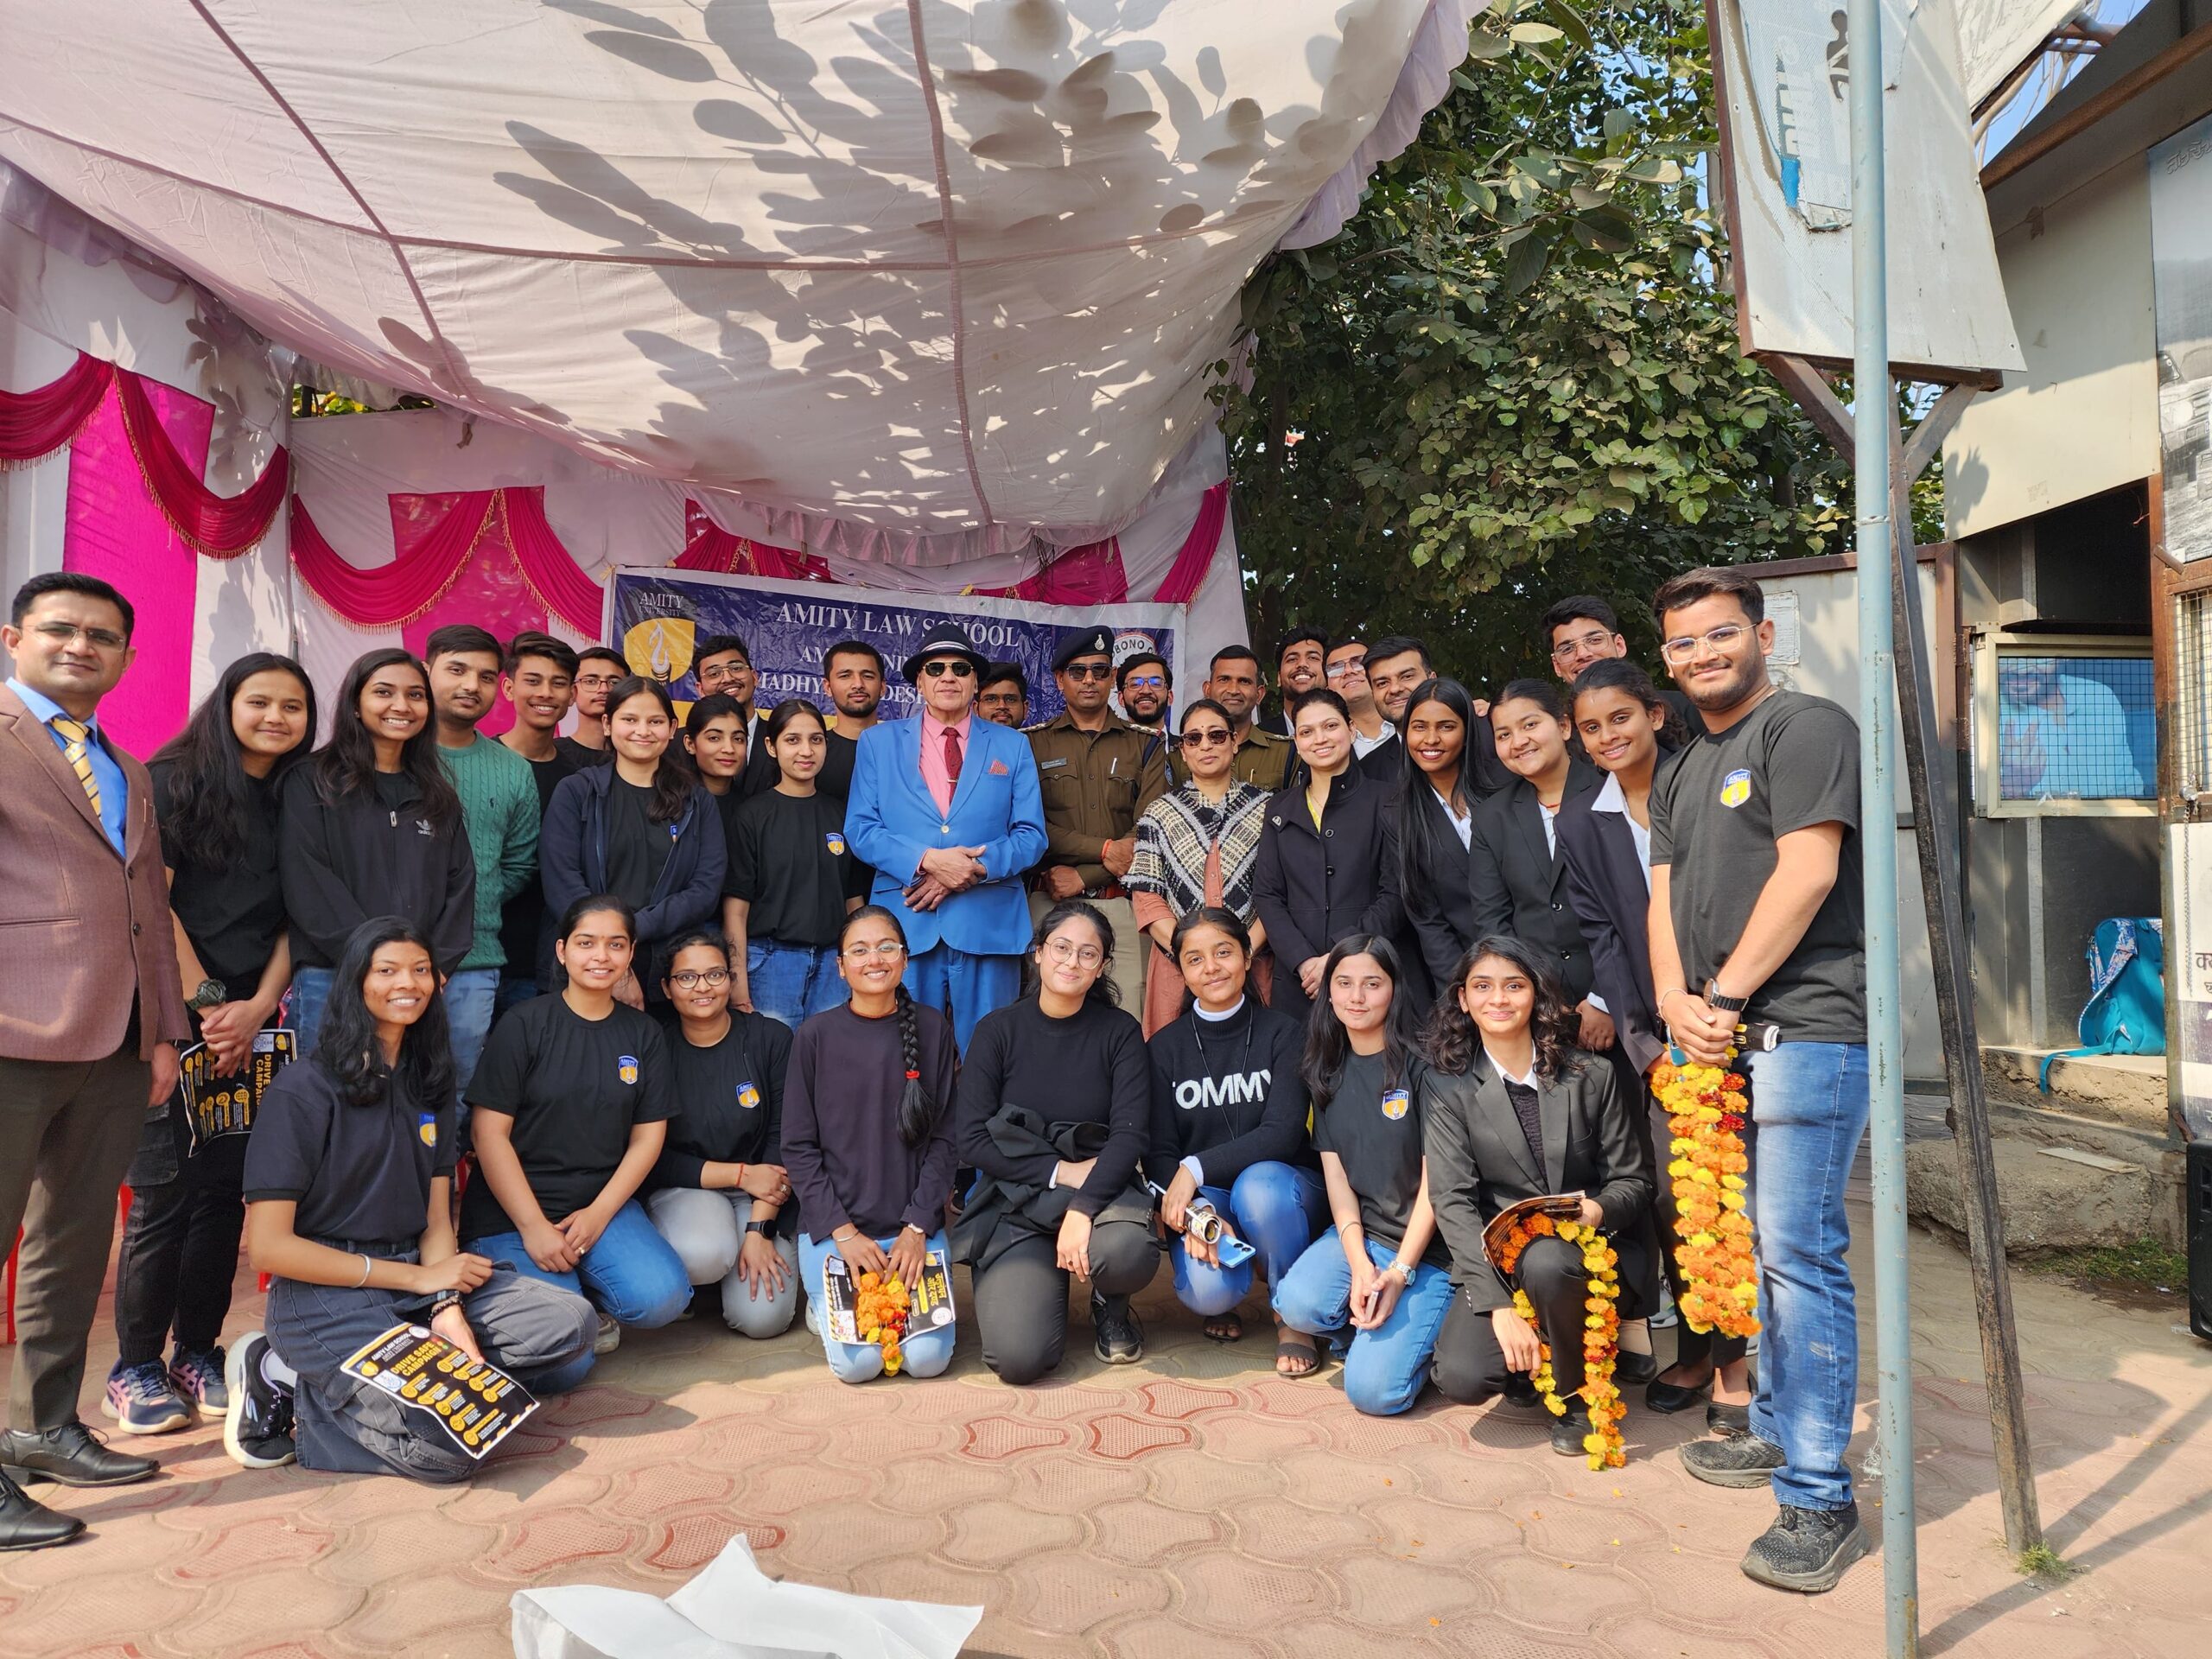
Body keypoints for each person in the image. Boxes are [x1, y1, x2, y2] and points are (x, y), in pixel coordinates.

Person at [1647, 564, 1870, 1593]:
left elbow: (1810, 870)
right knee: (1759, 1249)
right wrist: (1673, 1002)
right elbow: (1664, 893)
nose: (1703, 655)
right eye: (1684, 644)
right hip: (1718, 1036)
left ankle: (1821, 1495)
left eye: (1719, 635)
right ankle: (1778, 1434)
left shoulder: (1806, 726)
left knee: (1798, 1254)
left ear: (1761, 632)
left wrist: (1725, 998)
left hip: (1803, 1030)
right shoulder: (1686, 763)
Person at [224, 918, 597, 1479]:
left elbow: (434, 1218)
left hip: (413, 1286)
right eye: (389, 970)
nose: (410, 983)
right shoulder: (304, 1088)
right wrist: (419, 1281)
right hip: (327, 1294)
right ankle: (291, 1380)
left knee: (570, 1322)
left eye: (421, 970)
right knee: (446, 1454)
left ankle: (392, 1371)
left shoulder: (430, 1082)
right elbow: (270, 1249)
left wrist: (446, 1306)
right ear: (356, 982)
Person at [0, 573, 191, 1548]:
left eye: (104, 637)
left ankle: (42, 1424)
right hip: (9, 1036)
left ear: (124, 657)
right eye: (62, 630)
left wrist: (163, 1031)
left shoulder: (126, 763)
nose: (83, 647)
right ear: (14, 636)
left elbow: (144, 907)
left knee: (72, 1248)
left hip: (115, 1043)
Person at [105, 653, 314, 1438]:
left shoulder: (301, 793)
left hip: (253, 1023)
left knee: (228, 1188)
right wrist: (207, 1003)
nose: (275, 718)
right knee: (163, 1193)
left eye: (293, 707)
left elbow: (302, 912)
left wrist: (257, 1007)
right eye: (259, 701)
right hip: (170, 1012)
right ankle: (133, 1368)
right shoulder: (173, 777)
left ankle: (196, 1348)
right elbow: (149, 899)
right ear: (226, 703)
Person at [1421, 937, 1656, 1454]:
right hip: (1500, 1259)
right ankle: (1537, 1355)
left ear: (1536, 996)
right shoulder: (1448, 1085)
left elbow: (1634, 1181)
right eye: (1482, 987)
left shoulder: (1590, 1075)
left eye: (1514, 985)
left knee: (1550, 1260)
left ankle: (1576, 1394)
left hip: (1585, 1251)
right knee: (1462, 1377)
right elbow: (1453, 1200)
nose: (1498, 999)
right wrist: (1498, 1305)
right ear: (1463, 999)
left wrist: (1596, 1208)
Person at [462, 896, 693, 1364]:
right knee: (567, 1361)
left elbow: (648, 1138)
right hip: (513, 1211)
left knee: (664, 1297)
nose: (601, 956)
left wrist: (599, 1213)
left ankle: (584, 1290)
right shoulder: (523, 1024)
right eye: (587, 943)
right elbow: (489, 1135)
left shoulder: (642, 1034)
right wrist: (533, 1228)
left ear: (631, 956)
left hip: (598, 1205)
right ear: (562, 951)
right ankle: (545, 1298)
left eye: (615, 945)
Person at [1560, 656, 1693, 1399]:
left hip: (1732, 1016)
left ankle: (1754, 1362)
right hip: (1658, 1038)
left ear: (1655, 715)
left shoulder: (1699, 781)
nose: (1608, 735)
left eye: (1620, 717)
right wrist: (1644, 1044)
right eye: (1590, 727)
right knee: (1676, 1196)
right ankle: (1704, 1350)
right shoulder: (1584, 819)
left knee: (1754, 1205)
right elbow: (1602, 936)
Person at [954, 901, 1159, 1380]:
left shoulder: (1120, 1032)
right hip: (1017, 1201)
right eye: (1061, 948)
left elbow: (1130, 1138)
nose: (1072, 962)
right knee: (1018, 1360)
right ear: (1038, 954)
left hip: (1099, 1195)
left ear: (1104, 966)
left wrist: (1082, 1209)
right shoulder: (997, 1031)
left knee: (1126, 1250)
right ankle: (1042, 1277)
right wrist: (1059, 1173)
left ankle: (1110, 1300)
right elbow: (971, 1140)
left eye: (1088, 954)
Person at [1270, 937, 1470, 1414]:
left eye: (1372, 984)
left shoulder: (1426, 1068)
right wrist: (1360, 1263)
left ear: (1394, 990)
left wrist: (1398, 1273)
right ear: (1328, 992)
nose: (1356, 997)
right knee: (1295, 1304)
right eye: (1344, 983)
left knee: (1375, 1395)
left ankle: (1423, 1338)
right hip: (1372, 1236)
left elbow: (1438, 1185)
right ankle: (1371, 1322)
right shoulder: (1325, 1068)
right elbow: (1338, 1181)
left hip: (1432, 1254)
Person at [845, 622, 1046, 1053]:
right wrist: (929, 861)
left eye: (960, 667)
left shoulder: (1013, 746)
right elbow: (861, 830)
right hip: (907, 923)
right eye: (935, 668)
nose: (948, 677)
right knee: (904, 1062)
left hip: (988, 925)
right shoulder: (877, 743)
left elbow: (1031, 836)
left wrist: (970, 869)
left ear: (976, 680)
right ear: (920, 680)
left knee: (990, 1058)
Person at [779, 906, 961, 1382]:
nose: (873, 959)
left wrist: (919, 1225)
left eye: (886, 948)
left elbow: (946, 1138)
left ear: (904, 959)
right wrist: (843, 1233)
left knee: (926, 1362)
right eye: (859, 950)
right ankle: (822, 1304)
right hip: (837, 1233)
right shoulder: (814, 1037)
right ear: (841, 966)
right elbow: (798, 1148)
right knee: (860, 1366)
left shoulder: (932, 1028)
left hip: (910, 1232)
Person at [1143, 908, 1324, 1373]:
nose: (1212, 968)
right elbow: (1160, 1150)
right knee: (1208, 1294)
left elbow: (1283, 1135)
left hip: (1281, 1186)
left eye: (1224, 953)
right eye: (1195, 959)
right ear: (1180, 970)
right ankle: (1229, 1292)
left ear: (1247, 956)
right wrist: (1198, 1206)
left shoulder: (1283, 1032)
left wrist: (1195, 1167)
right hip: (1210, 1199)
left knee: (1258, 1190)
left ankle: (1290, 1313)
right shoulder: (1164, 1049)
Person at [279, 649, 474, 1057]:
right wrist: (374, 963)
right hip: (330, 975)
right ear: (355, 704)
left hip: (414, 986)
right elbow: (307, 880)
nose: (401, 706)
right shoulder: (312, 782)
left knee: (405, 1102)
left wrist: (428, 969)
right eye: (384, 692)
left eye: (416, 695)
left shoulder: (437, 794)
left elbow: (460, 885)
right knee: (325, 1104)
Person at [645, 929, 799, 1339]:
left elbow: (785, 1137)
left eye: (715, 975)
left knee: (762, 1320)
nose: (703, 988)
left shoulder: (771, 1038)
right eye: (687, 977)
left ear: (732, 980)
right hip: (689, 1190)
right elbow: (651, 1157)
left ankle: (739, 1258)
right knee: (706, 1253)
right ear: (666, 987)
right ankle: (706, 1275)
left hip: (766, 1195)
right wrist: (738, 1175)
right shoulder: (654, 1049)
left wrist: (759, 1230)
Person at [540, 676, 726, 1012]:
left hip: (668, 970)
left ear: (672, 729)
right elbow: (561, 881)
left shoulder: (696, 802)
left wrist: (628, 932)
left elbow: (705, 888)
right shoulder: (577, 792)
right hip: (587, 967)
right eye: (630, 719)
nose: (643, 730)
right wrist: (612, 950)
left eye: (655, 721)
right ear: (608, 724)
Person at [426, 625, 540, 1105]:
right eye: (457, 670)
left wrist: (473, 900)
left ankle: (441, 1185)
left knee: (454, 1096)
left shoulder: (513, 768)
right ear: (426, 670)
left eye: (486, 676)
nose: (472, 685)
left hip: (474, 962)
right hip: (382, 961)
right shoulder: (389, 755)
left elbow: (517, 863)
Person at [1027, 626, 1168, 1014]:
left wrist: (1085, 876)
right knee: (1048, 1019)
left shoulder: (1145, 743)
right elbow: (1029, 826)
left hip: (1123, 904)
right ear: (1059, 680)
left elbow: (1152, 828)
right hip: (1049, 903)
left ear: (1112, 678)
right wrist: (1106, 849)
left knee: (1129, 1019)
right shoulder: (1030, 744)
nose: (1089, 680)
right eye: (1078, 672)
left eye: (1100, 671)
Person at [1468, 680, 1608, 1048]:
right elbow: (1492, 921)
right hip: (1538, 1009)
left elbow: (1637, 909)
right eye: (1504, 734)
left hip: (1620, 1000)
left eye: (1530, 725)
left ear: (1563, 727)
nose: (1518, 741)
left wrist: (1603, 999)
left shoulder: (1611, 792)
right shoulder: (1491, 817)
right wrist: (1537, 998)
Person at [1252, 689, 1403, 1027]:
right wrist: (1304, 961)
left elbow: (1395, 893)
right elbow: (1268, 894)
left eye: (1330, 726)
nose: (1319, 739)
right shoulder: (1280, 807)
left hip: (1370, 973)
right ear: (1296, 740)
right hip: (1299, 983)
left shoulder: (1388, 799)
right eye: (1306, 731)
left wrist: (1339, 956)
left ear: (1350, 730)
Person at [1126, 699, 1273, 1035]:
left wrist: (1242, 950)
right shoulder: (1159, 814)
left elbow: (1278, 893)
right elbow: (1147, 900)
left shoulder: (1268, 810)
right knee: (1178, 1060)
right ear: (1182, 751)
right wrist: (1190, 953)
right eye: (1193, 738)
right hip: (1179, 965)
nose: (1205, 745)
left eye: (1217, 735)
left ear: (1235, 742)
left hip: (1254, 960)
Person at [724, 698, 867, 1025]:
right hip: (771, 964)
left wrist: (859, 959)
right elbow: (735, 910)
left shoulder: (842, 814)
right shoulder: (751, 816)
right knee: (776, 1068)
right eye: (793, 740)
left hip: (835, 965)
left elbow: (853, 900)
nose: (806, 751)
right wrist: (737, 980)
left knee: (828, 1067)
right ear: (771, 747)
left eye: (816, 740)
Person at [496, 632, 582, 1013]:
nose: (545, 693)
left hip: (546, 964)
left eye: (558, 683)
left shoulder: (578, 780)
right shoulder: (481, 762)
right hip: (473, 957)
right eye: (533, 681)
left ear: (572, 696)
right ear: (509, 688)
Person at [1397, 677, 1494, 992]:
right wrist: (1464, 986)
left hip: (1531, 961)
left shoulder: (1503, 789)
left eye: (1446, 727)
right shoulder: (1397, 813)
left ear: (1467, 732)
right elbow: (1427, 919)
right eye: (1419, 727)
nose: (1431, 739)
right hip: (1460, 977)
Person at [1541, 595, 1705, 745]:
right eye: (1567, 649)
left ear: (1619, 645)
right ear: (1556, 665)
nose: (1583, 654)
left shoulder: (1685, 708)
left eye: (1595, 640)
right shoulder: (1558, 741)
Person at [1367, 637, 1507, 792]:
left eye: (1407, 676)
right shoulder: (1370, 772)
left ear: (1432, 679)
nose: (1394, 689)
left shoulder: (1493, 732)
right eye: (1382, 683)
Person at [1178, 645, 1294, 791]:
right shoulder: (1183, 753)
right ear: (1207, 690)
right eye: (1224, 679)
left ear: (1259, 695)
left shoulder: (1285, 753)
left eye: (1244, 681)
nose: (1233, 690)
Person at [818, 639, 887, 801]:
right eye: (845, 676)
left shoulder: (903, 750)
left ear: (883, 687)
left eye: (868, 676)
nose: (858, 684)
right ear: (827, 687)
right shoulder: (815, 752)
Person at [1323, 638, 1401, 779]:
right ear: (1327, 688)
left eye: (1358, 662)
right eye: (1335, 668)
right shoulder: (1323, 742)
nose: (1348, 671)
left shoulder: (1412, 724)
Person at [681, 690, 751, 848]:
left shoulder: (750, 810)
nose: (729, 749)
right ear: (690, 744)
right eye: (714, 738)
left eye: (738, 739)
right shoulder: (672, 803)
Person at [559, 646, 627, 766]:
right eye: (591, 681)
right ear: (571, 692)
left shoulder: (639, 755)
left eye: (614, 682)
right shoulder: (553, 753)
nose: (604, 689)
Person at [1260, 627, 1329, 736]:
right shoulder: (1260, 736)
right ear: (1279, 678)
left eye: (1312, 658)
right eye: (1292, 659)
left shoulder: (1348, 732)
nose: (1302, 664)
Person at [1117, 651, 1173, 728]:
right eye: (1135, 684)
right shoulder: (1107, 741)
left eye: (1156, 684)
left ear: (1170, 697)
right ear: (1121, 698)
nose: (1146, 691)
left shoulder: (1184, 741)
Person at [976, 661, 1029, 728]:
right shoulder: (963, 739)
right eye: (991, 699)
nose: (1002, 706)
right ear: (976, 709)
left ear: (1025, 709)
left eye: (1011, 699)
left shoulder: (1043, 738)